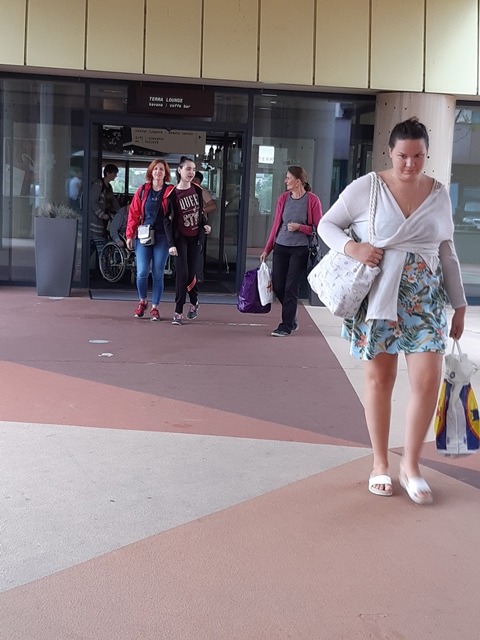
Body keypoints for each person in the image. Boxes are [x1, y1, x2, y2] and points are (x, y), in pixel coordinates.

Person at [318, 117, 467, 504]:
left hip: (426, 300)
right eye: (403, 155)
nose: (410, 164)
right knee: (380, 380)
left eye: (418, 156)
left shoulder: (439, 194)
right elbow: (327, 225)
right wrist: (354, 248)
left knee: (428, 381)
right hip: (380, 297)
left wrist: (460, 304)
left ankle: (411, 466)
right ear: (390, 152)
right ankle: (380, 463)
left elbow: (447, 251)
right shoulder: (367, 187)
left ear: (427, 154)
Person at [260, 166, 322, 336]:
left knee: (291, 287)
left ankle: (286, 326)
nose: (285, 181)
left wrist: (300, 228)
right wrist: (267, 249)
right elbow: (276, 225)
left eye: (288, 178)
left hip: (300, 249)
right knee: (279, 285)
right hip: (281, 246)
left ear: (298, 181)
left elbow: (319, 227)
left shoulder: (312, 200)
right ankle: (291, 316)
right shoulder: (283, 198)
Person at [164, 156, 211, 325]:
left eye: (193, 169)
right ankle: (178, 311)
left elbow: (200, 213)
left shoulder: (197, 190)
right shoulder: (172, 194)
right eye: (188, 169)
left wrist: (205, 225)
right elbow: (166, 220)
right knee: (182, 274)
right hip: (180, 239)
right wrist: (171, 244)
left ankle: (194, 302)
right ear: (179, 170)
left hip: (195, 238)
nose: (191, 172)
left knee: (192, 274)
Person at [126, 159, 173, 321]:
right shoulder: (143, 190)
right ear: (151, 172)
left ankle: (155, 307)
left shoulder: (170, 191)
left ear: (165, 173)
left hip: (163, 236)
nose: (158, 172)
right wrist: (129, 235)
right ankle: (142, 301)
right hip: (144, 235)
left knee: (158, 272)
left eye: (161, 169)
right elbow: (133, 213)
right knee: (142, 272)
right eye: (155, 169)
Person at [89, 164, 119, 259]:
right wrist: (102, 215)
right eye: (114, 173)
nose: (116, 176)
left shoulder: (109, 187)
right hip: (94, 224)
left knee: (90, 249)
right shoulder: (98, 184)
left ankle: (80, 265)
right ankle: (103, 268)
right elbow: (92, 202)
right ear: (108, 173)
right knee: (102, 252)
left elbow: (114, 202)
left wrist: (120, 212)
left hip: (101, 225)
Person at [192, 171, 217, 283]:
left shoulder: (202, 191)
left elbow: (213, 205)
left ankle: (198, 275)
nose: (194, 181)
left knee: (198, 249)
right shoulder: (185, 190)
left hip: (200, 222)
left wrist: (201, 211)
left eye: (196, 180)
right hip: (187, 222)